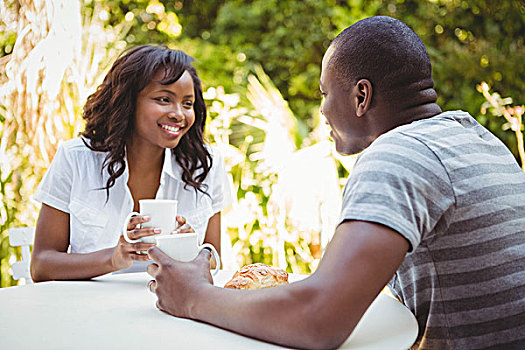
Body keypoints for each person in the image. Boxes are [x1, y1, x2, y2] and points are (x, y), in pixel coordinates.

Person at [146, 16, 525, 350]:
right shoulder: (476, 137)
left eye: (325, 93)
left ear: (361, 96)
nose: (323, 110)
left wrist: (192, 296)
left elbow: (319, 320)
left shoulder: (399, 153)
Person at [31, 45, 231, 281]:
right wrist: (113, 259)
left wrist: (191, 253)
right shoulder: (76, 159)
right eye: (164, 99)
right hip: (88, 310)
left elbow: (213, 258)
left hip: (171, 310)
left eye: (187, 103)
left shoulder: (205, 166)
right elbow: (41, 265)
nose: (179, 113)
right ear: (127, 101)